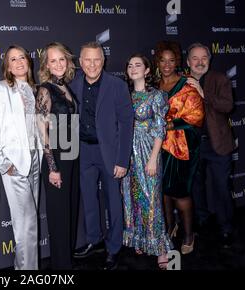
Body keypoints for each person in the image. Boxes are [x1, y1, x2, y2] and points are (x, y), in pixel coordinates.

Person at [70, 42, 134, 270]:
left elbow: (127, 124)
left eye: (97, 59)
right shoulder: (73, 84)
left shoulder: (117, 85)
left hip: (110, 153)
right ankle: (94, 240)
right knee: (88, 199)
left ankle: (114, 248)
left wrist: (122, 159)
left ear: (103, 61)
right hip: (83, 152)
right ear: (80, 62)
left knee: (113, 203)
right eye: (87, 59)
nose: (92, 64)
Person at [0, 45, 42, 270]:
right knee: (26, 226)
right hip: (15, 164)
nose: (19, 62)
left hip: (35, 160)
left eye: (22, 58)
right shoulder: (1, 89)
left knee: (30, 224)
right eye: (13, 59)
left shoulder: (32, 88)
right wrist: (2, 162)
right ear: (7, 66)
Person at [121, 53, 172, 269]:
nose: (133, 68)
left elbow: (161, 129)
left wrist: (153, 159)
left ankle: (161, 248)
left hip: (148, 151)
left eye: (138, 65)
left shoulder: (157, 96)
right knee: (133, 198)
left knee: (152, 199)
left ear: (147, 70)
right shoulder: (124, 95)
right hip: (127, 153)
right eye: (130, 65)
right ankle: (141, 239)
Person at [155, 40, 204, 255]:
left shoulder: (187, 85)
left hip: (182, 148)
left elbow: (196, 117)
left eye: (171, 60)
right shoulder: (154, 85)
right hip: (159, 148)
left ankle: (188, 234)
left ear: (177, 62)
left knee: (181, 194)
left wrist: (170, 124)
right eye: (163, 60)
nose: (167, 65)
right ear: (158, 62)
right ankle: (168, 227)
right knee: (164, 192)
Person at [187, 43, 236, 248]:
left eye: (203, 58)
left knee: (222, 188)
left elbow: (227, 106)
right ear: (188, 62)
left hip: (218, 146)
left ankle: (226, 227)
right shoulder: (182, 82)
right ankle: (201, 219)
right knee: (195, 187)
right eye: (195, 58)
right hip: (193, 146)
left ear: (209, 60)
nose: (200, 62)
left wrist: (203, 93)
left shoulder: (220, 79)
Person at [35, 42, 79, 269]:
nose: (59, 64)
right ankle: (62, 268)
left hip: (71, 156)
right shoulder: (45, 89)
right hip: (56, 157)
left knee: (69, 213)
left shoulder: (66, 87)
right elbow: (42, 132)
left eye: (62, 59)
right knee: (59, 217)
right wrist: (52, 167)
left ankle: (66, 263)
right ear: (46, 65)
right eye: (53, 60)